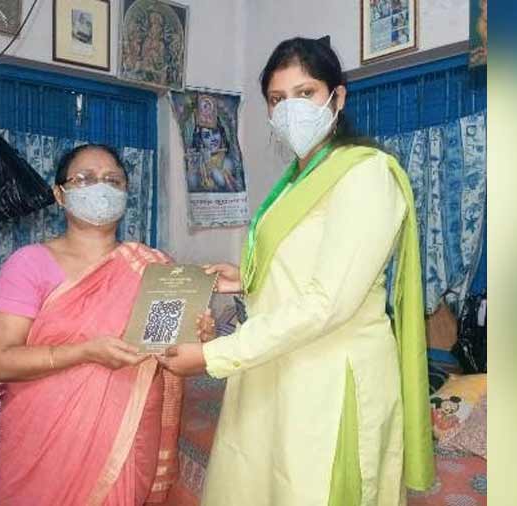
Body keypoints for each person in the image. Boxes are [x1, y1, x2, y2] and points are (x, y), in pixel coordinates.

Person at [158, 37, 435, 505]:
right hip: (274, 361)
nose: (290, 109)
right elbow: (303, 269)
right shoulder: (291, 183)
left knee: (312, 486)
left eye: (304, 93)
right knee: (260, 482)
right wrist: (247, 280)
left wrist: (211, 356)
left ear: (337, 97)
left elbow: (329, 301)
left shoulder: (366, 175)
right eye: (277, 99)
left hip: (328, 374)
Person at [0, 144, 211, 505]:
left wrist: (198, 337)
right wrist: (85, 352)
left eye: (112, 180)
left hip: (125, 438)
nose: (99, 188)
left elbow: (171, 355)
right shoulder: (28, 264)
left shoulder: (153, 269)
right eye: (84, 179)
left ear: (125, 193)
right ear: (60, 194)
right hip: (43, 440)